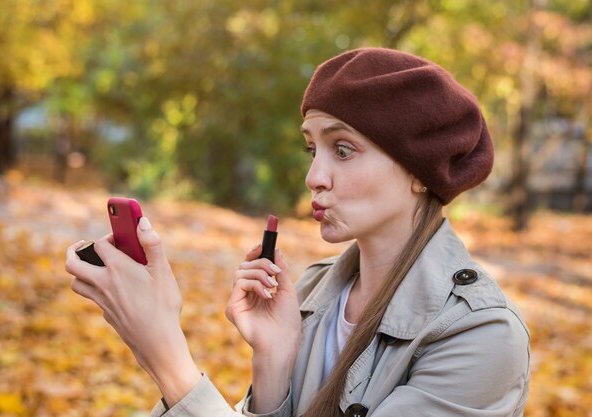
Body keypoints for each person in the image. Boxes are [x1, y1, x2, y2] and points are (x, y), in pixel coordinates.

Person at [65, 48, 530, 417]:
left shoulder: (479, 336)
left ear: (418, 171)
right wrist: (273, 363)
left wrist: (167, 357)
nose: (314, 177)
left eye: (343, 149)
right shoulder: (311, 292)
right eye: (313, 149)